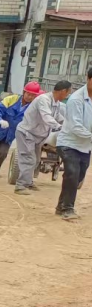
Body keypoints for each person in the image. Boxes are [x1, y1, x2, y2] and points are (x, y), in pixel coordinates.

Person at [14, 81, 72, 194]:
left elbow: (57, 116)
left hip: (38, 136)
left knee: (36, 160)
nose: (67, 96)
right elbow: (46, 116)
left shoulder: (56, 103)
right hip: (27, 133)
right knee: (28, 159)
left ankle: (28, 182)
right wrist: (59, 127)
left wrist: (68, 125)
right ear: (63, 91)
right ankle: (20, 186)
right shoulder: (43, 99)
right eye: (68, 93)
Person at [56, 67, 92, 220]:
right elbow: (75, 126)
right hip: (68, 144)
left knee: (78, 177)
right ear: (88, 79)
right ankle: (67, 209)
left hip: (85, 146)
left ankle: (61, 205)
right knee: (72, 173)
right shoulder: (76, 99)